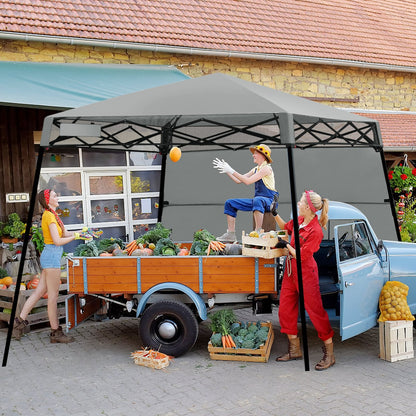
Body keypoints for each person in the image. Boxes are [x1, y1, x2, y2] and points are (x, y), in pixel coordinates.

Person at [12, 189, 90, 343]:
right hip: (52, 258)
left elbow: (65, 233)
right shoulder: (49, 216)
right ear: (48, 201)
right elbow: (57, 241)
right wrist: (76, 236)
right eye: (55, 195)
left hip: (50, 256)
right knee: (53, 297)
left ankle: (18, 323)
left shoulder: (53, 215)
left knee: (38, 293)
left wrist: (81, 233)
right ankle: (56, 332)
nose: (58, 196)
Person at [271, 190, 335, 370]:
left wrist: (287, 245)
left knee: (315, 311)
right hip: (291, 271)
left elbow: (302, 255)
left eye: (300, 203)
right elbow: (286, 227)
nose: (297, 205)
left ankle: (329, 355)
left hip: (306, 271)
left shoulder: (316, 231)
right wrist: (274, 214)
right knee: (285, 309)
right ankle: (294, 350)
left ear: (308, 207)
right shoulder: (299, 221)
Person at [212, 144, 279, 243]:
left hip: (270, 202)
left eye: (255, 153)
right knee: (230, 203)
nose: (253, 155)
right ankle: (230, 234)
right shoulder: (256, 169)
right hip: (259, 201)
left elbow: (248, 181)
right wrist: (227, 170)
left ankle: (258, 231)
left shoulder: (266, 168)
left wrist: (232, 170)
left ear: (263, 156)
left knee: (257, 200)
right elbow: (239, 180)